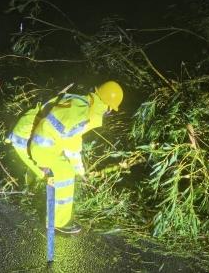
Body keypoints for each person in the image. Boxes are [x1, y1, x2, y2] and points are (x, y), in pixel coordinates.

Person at [7, 81, 124, 234]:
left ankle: (33, 187)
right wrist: (73, 168)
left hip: (30, 133)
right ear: (107, 107)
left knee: (55, 171)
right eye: (110, 111)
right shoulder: (82, 113)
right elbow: (69, 143)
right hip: (33, 140)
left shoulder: (80, 104)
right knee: (65, 173)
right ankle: (58, 222)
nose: (107, 114)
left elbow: (69, 137)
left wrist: (76, 167)